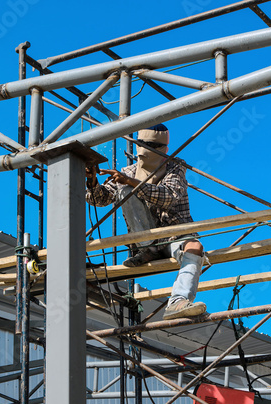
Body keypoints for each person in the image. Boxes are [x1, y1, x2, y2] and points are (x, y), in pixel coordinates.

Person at [86, 124, 206, 320]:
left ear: (163, 150)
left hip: (174, 235)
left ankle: (178, 301)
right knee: (123, 191)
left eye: (151, 146)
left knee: (194, 246)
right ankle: (148, 249)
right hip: (146, 239)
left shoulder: (175, 166)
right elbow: (100, 199)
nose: (145, 151)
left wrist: (131, 182)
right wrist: (92, 182)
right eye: (143, 145)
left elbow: (169, 196)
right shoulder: (129, 171)